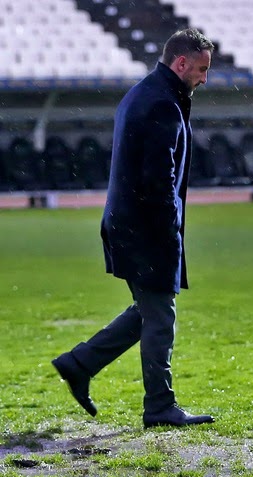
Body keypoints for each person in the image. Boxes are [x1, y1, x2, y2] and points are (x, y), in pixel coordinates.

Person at [52, 29, 215, 428]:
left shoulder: (143, 93)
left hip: (128, 224)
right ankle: (159, 406)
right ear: (181, 63)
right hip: (146, 229)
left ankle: (79, 363)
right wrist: (169, 230)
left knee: (149, 309)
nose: (204, 78)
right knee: (161, 315)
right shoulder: (162, 103)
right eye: (201, 69)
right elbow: (158, 179)